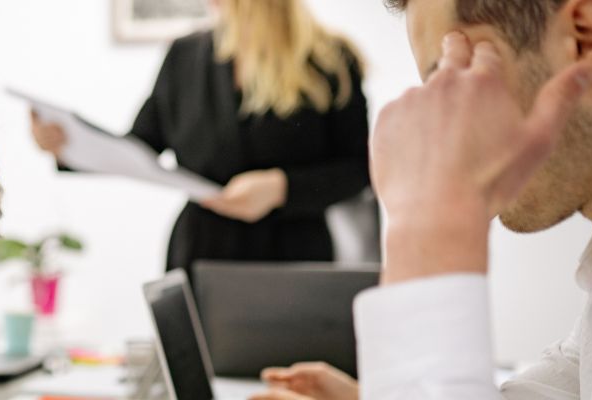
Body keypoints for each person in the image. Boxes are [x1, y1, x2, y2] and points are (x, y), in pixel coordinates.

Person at [250, 0, 592, 399]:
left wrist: (426, 233)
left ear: (583, 40)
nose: (446, 126)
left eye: (457, 81)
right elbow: (580, 376)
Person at [31, 0, 371, 274]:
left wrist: (280, 188)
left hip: (294, 260)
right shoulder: (184, 57)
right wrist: (68, 145)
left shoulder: (331, 60)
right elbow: (139, 148)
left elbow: (359, 170)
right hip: (202, 255)